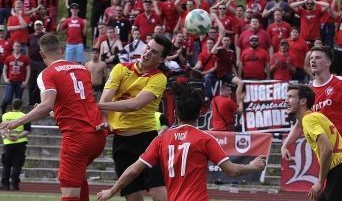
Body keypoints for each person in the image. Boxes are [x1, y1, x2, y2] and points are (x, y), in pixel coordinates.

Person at [96, 83, 266, 201]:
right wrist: (254, 166)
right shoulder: (205, 139)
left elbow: (133, 169)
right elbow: (233, 171)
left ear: (175, 113)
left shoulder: (162, 139)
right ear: (200, 113)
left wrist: (112, 191)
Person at [0, 33, 107, 200]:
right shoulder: (82, 69)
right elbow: (74, 104)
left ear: (42, 55)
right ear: (62, 49)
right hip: (98, 135)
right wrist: (50, 110)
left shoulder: (47, 73)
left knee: (69, 192)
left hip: (77, 137)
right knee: (77, 178)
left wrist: (17, 121)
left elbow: (47, 104)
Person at [98, 34, 173, 201]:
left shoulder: (159, 78)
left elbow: (135, 104)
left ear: (161, 59)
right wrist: (105, 121)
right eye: (147, 47)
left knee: (159, 195)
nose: (147, 53)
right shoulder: (120, 68)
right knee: (134, 197)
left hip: (147, 140)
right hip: (121, 142)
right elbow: (105, 100)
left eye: (154, 52)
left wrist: (96, 106)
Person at [285, 84, 342, 201]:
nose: (286, 101)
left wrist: (320, 182)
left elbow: (327, 149)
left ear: (303, 101)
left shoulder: (308, 120)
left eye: (290, 97)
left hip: (340, 172)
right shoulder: (319, 116)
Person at [1, 99, 29, 191]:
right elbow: (27, 130)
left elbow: (1, 128)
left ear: (12, 106)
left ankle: (5, 185)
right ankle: (15, 185)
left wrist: (7, 135)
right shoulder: (24, 116)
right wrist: (17, 136)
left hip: (8, 143)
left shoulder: (5, 115)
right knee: (17, 165)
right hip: (20, 143)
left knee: (6, 165)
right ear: (21, 106)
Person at [1, 42, 30, 113]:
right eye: (16, 46)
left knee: (18, 100)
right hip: (11, 81)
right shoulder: (9, 58)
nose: (17, 48)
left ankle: (16, 115)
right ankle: (3, 112)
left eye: (19, 46)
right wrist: (5, 78)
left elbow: (28, 70)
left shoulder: (25, 58)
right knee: (8, 98)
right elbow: (5, 69)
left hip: (20, 82)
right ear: (13, 47)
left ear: (21, 48)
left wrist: (26, 81)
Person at [27, 20, 46, 106]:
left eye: (40, 26)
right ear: (34, 27)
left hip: (41, 62)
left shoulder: (45, 36)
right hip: (32, 62)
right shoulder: (30, 36)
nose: (38, 27)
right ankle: (31, 102)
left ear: (42, 27)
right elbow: (27, 47)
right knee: (31, 83)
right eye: (36, 25)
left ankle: (38, 102)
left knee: (39, 83)